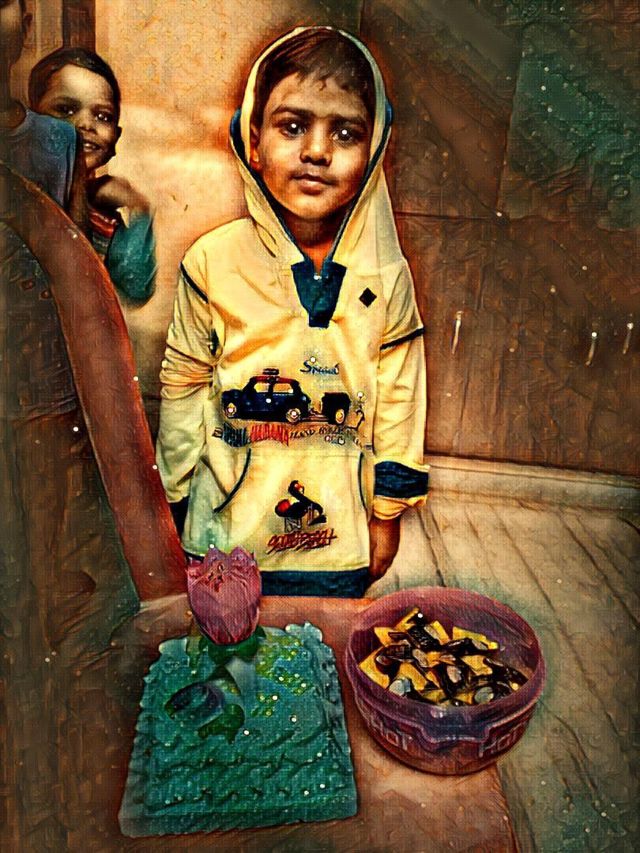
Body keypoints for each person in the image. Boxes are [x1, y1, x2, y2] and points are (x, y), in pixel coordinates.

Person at [157, 27, 429, 597]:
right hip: (225, 533)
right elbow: (184, 384)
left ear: (374, 151)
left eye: (346, 133)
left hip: (337, 541)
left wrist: (386, 515)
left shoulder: (386, 276)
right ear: (253, 141)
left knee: (322, 648)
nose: (317, 151)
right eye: (293, 126)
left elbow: (401, 397)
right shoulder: (211, 262)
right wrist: (174, 497)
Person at [28, 47, 156, 303]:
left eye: (102, 116)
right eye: (65, 110)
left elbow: (136, 287)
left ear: (116, 138)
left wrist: (140, 209)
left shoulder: (103, 220)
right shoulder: (16, 195)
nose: (86, 124)